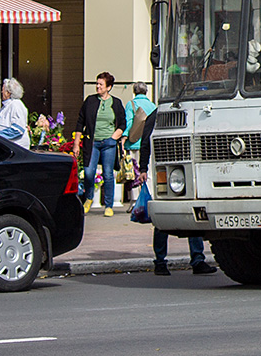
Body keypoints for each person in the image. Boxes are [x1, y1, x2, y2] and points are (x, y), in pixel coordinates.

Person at [138, 109, 217, 277]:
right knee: (163, 218)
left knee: (190, 214)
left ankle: (194, 260)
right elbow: (146, 143)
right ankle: (164, 261)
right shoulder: (157, 115)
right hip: (166, 171)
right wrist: (143, 168)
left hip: (181, 169)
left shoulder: (186, 110)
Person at [75, 71, 127, 217]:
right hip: (92, 142)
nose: (97, 87)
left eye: (101, 84)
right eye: (97, 84)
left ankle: (108, 205)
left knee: (108, 174)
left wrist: (114, 137)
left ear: (109, 87)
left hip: (108, 143)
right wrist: (76, 143)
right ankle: (89, 197)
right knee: (89, 172)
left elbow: (123, 123)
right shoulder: (90, 101)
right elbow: (81, 122)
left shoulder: (116, 103)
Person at [123, 82, 155, 203]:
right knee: (147, 170)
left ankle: (135, 200)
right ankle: (149, 196)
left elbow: (129, 122)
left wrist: (124, 136)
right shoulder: (152, 106)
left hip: (133, 143)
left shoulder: (131, 104)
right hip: (147, 142)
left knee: (134, 173)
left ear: (134, 92)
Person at [0, 77, 31, 150]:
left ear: (8, 93)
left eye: (3, 90)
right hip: (7, 147)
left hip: (16, 148)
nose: (1, 92)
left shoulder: (16, 105)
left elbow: (18, 129)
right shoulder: (7, 105)